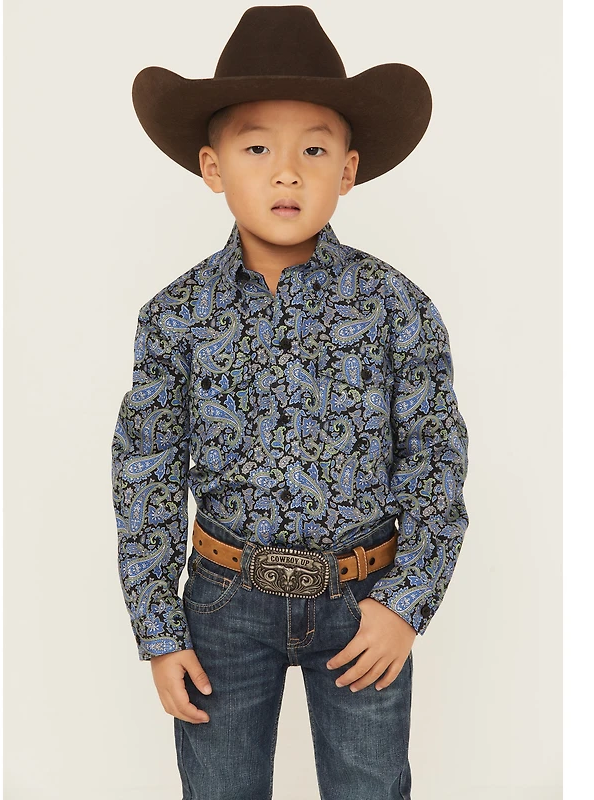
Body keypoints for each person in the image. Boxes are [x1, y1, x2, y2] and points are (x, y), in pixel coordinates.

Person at [110, 6, 470, 799]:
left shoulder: (395, 307)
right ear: (213, 167)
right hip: (223, 604)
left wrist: (405, 603)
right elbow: (145, 475)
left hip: (363, 601)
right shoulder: (176, 317)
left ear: (348, 169)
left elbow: (436, 459)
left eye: (314, 149)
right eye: (257, 148)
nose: (287, 172)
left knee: (371, 788)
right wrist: (159, 630)